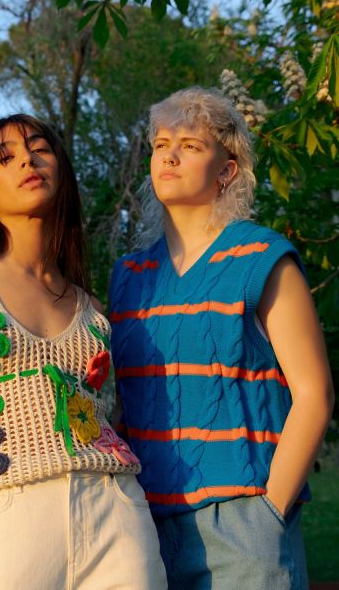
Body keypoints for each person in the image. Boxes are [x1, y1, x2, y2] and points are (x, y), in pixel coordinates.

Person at [0, 114, 167, 590]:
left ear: (61, 173)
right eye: (6, 157)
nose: (27, 159)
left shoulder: (92, 308)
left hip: (117, 515)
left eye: (40, 148)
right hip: (3, 519)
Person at [109, 87, 335, 590]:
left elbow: (315, 394)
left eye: (190, 145)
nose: (169, 155)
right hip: (141, 531)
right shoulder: (128, 277)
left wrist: (268, 515)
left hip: (242, 530)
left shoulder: (263, 258)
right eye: (161, 144)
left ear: (227, 170)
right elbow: (127, 405)